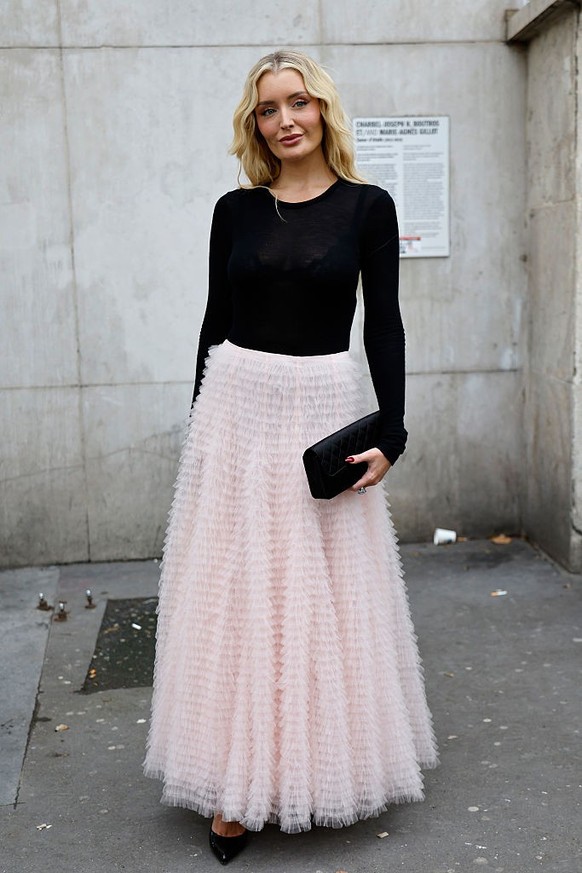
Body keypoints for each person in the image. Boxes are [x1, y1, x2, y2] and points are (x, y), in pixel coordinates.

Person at [144, 49, 438, 866]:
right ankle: (233, 790)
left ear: (323, 112)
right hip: (235, 408)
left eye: (299, 103)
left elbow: (385, 325)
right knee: (235, 598)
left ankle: (311, 767)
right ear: (256, 125)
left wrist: (394, 432)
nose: (286, 120)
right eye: (269, 108)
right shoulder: (234, 212)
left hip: (319, 410)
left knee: (321, 599)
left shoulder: (367, 208)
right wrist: (198, 429)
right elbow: (212, 322)